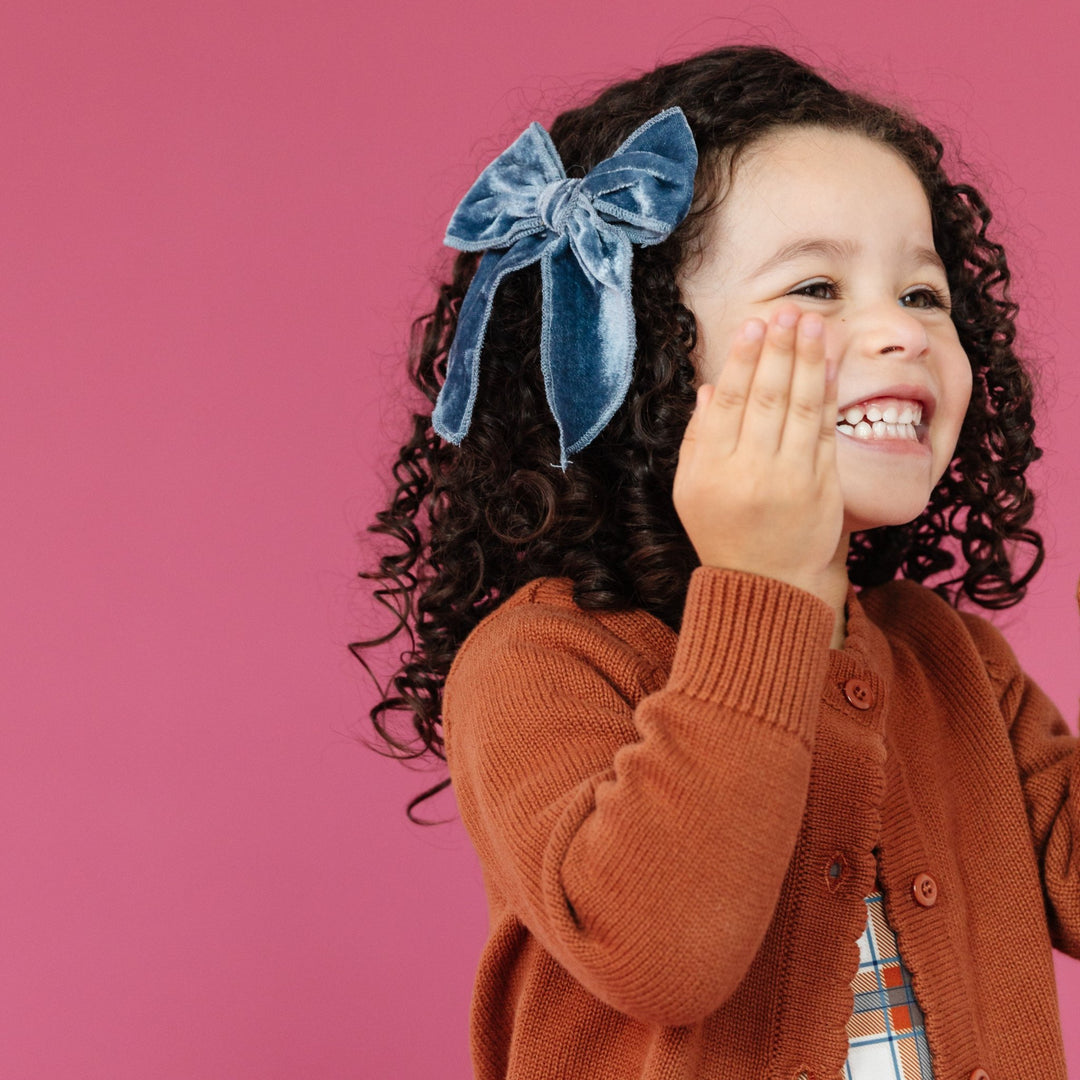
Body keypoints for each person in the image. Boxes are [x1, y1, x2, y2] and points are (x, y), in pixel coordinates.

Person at [356, 45, 1078, 1079]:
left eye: (925, 296)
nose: (900, 333)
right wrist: (769, 592)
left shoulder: (952, 658)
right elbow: (663, 956)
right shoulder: (539, 661)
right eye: (820, 287)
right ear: (641, 353)